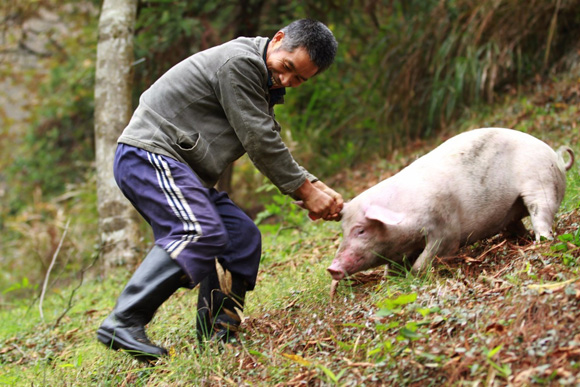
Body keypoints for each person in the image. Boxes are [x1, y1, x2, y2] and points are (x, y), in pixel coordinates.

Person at [96, 18, 343, 362]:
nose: (287, 80)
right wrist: (305, 191)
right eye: (287, 67)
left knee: (240, 237)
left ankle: (217, 338)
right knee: (197, 230)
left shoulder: (260, 81)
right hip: (148, 155)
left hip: (179, 170)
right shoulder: (239, 63)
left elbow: (267, 138)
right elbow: (259, 139)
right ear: (279, 39)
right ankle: (124, 320)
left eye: (299, 78)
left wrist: (313, 185)